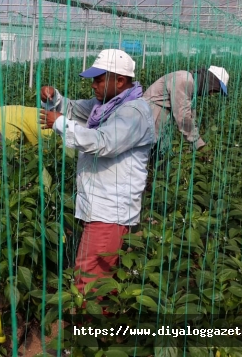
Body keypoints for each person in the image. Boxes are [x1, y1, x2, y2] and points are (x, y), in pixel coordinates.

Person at [39, 49, 155, 293]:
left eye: (99, 79)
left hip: (110, 212)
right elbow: (72, 109)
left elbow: (104, 143)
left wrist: (59, 123)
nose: (93, 85)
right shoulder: (106, 105)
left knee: (88, 281)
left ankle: (85, 329)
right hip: (99, 206)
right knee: (102, 279)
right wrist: (54, 98)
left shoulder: (133, 113)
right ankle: (99, 325)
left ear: (120, 81)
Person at [142, 66, 229, 151]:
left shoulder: (191, 85)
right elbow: (183, 117)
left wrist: (194, 139)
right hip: (151, 116)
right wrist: (198, 144)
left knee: (158, 155)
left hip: (161, 118)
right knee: (145, 153)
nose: (211, 94)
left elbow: (190, 115)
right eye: (215, 90)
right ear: (210, 81)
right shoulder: (184, 81)